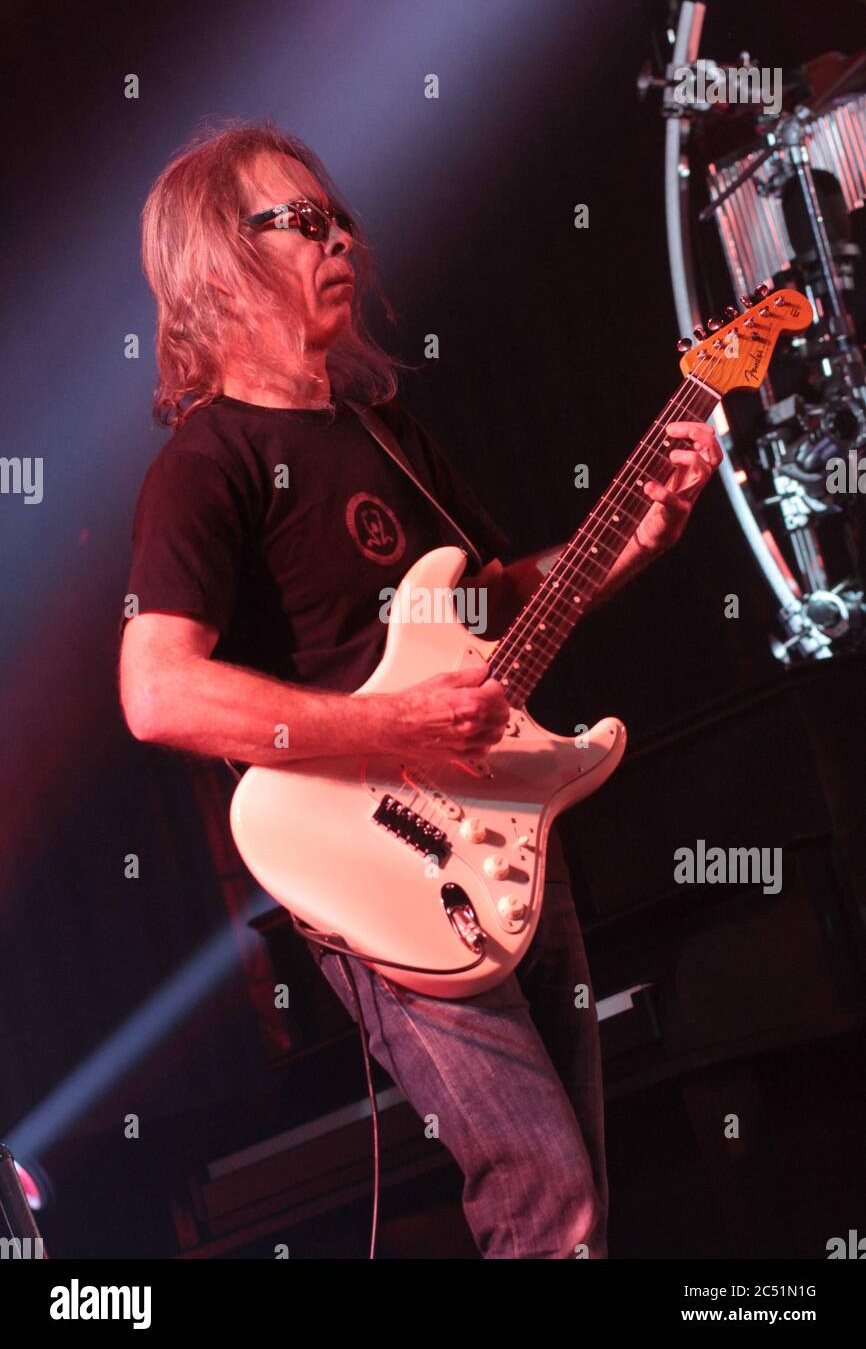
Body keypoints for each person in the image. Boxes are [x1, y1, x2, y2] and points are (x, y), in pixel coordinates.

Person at [119, 122, 722, 1259]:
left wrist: (637, 532)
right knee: (546, 1194)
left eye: (336, 214)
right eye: (299, 221)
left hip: (498, 828)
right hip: (374, 864)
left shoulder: (382, 434)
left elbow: (490, 608)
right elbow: (157, 693)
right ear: (212, 259)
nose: (337, 233)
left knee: (579, 1187)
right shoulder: (206, 466)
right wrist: (395, 722)